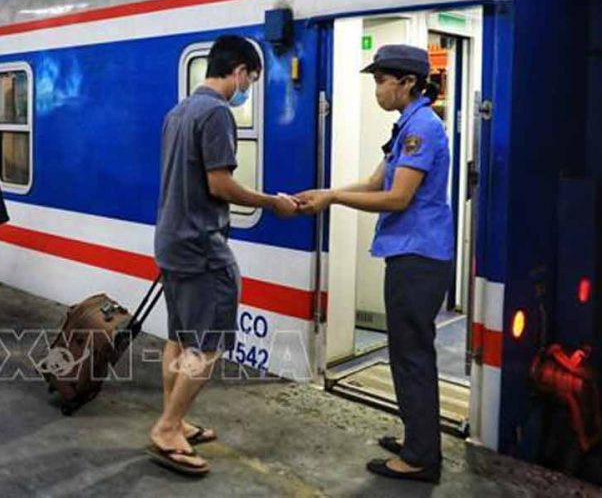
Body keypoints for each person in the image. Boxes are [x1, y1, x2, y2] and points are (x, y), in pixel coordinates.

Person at [293, 44, 453, 484]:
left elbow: (397, 197)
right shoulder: (407, 126)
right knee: (406, 352)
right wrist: (326, 193)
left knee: (412, 355)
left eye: (381, 81)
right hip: (410, 255)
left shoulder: (423, 129)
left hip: (418, 258)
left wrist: (333, 199)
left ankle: (421, 458)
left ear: (408, 82)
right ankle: (418, 440)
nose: (377, 90)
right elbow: (373, 182)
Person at [148, 35, 300, 476]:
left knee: (179, 338)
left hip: (171, 239)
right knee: (209, 345)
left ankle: (175, 419)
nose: (247, 88)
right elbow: (220, 184)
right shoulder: (216, 113)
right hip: (202, 246)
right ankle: (168, 428)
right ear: (238, 72)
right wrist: (273, 203)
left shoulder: (179, 112)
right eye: (250, 79)